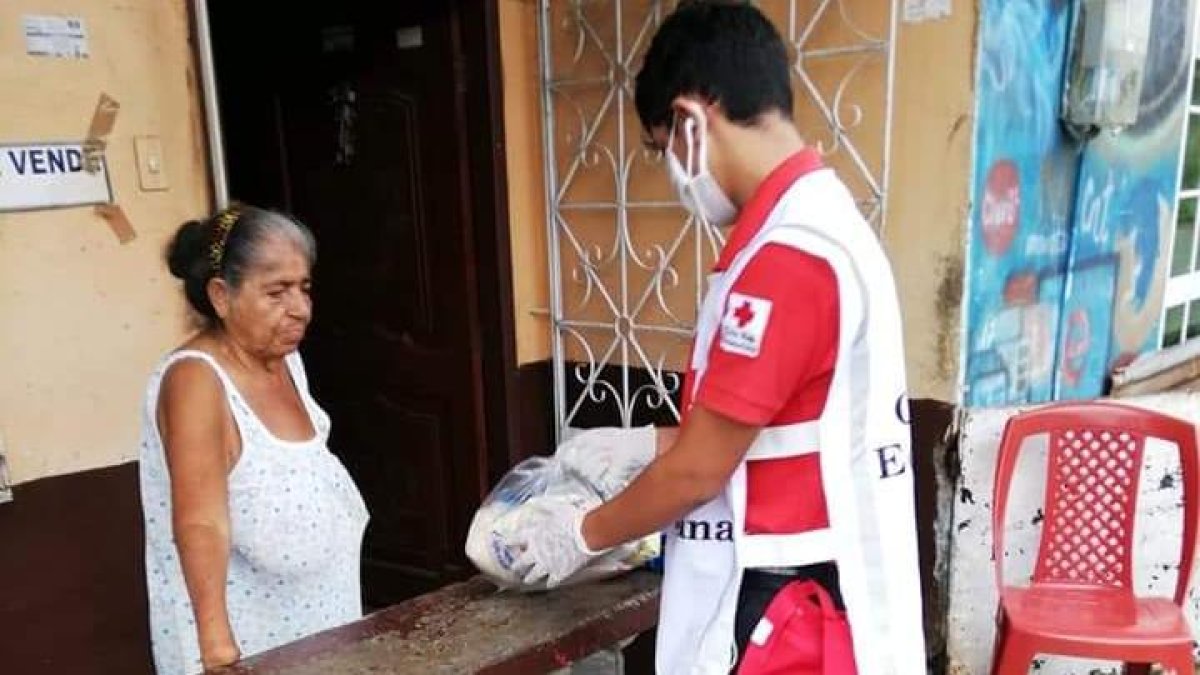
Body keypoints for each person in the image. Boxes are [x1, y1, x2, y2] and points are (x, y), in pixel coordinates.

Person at [510, 3, 926, 673]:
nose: (672, 172)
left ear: (691, 122)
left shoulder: (785, 259)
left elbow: (702, 469)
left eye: (662, 149)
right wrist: (643, 443)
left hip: (786, 606)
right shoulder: (822, 223)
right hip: (822, 595)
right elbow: (780, 423)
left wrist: (580, 534)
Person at [138, 205, 369, 674]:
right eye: (276, 292)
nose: (300, 308)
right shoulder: (196, 381)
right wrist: (217, 650)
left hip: (318, 622)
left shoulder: (285, 362)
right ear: (221, 296)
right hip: (249, 641)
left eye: (304, 288)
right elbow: (200, 521)